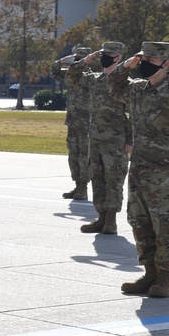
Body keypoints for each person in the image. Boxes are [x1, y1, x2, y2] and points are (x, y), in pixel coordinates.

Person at [109, 41, 169, 298]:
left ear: (166, 63)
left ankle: (165, 279)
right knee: (140, 222)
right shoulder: (138, 89)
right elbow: (115, 88)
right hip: (139, 169)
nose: (146, 63)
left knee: (166, 225)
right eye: (144, 58)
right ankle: (149, 274)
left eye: (152, 59)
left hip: (165, 172)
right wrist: (125, 65)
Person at [67, 42, 131, 234]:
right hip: (94, 138)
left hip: (116, 140)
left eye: (108, 54)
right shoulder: (94, 79)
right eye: (102, 54)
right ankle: (101, 218)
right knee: (97, 178)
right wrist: (85, 60)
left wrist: (130, 141)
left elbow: (135, 115)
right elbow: (72, 76)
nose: (104, 57)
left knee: (114, 180)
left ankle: (111, 220)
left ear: (118, 58)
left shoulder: (125, 83)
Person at [51, 46, 93, 199]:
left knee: (84, 155)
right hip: (73, 121)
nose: (77, 62)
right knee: (73, 154)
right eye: (76, 59)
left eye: (81, 59)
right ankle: (77, 185)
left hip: (86, 122)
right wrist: (64, 59)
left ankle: (83, 188)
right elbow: (54, 70)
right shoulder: (70, 75)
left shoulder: (91, 77)